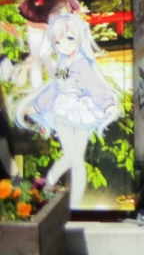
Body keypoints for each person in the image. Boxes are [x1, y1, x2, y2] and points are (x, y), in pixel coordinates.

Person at [16, 12, 119, 207]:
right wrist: (36, 107)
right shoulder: (63, 64)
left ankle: (64, 197)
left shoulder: (82, 63)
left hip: (81, 111)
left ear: (79, 38)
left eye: (69, 39)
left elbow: (93, 85)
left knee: (76, 159)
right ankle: (55, 189)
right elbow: (56, 87)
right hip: (62, 111)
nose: (64, 45)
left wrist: (107, 104)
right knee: (74, 158)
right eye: (58, 41)